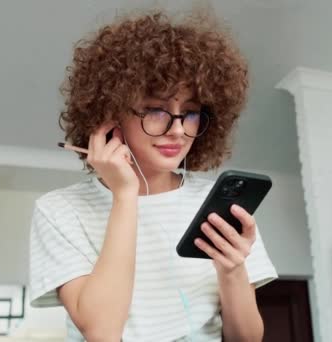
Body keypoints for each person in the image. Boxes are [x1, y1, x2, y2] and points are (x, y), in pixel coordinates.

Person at [28, 9, 277, 342]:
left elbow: (247, 340)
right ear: (110, 115)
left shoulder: (218, 205)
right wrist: (125, 196)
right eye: (155, 110)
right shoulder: (58, 210)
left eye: (189, 113)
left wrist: (232, 270)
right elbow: (102, 333)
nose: (177, 130)